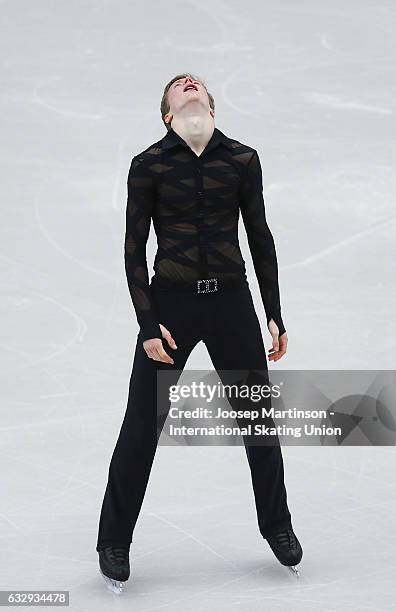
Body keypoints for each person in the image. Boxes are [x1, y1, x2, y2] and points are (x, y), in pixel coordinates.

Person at [96, 72, 303, 592]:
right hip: (171, 307)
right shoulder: (147, 166)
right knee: (142, 422)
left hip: (232, 302)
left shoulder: (241, 159)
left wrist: (273, 312)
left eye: (197, 88)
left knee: (257, 418)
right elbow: (132, 251)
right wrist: (147, 323)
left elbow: (260, 236)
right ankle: (113, 541)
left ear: (212, 108)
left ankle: (277, 527)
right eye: (179, 88)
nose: (189, 86)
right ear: (168, 114)